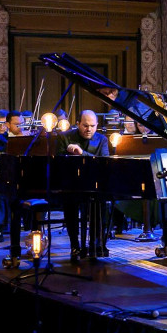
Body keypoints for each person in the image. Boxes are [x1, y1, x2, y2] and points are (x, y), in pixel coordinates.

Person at [58, 110, 110, 260]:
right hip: (71, 183)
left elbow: (103, 162)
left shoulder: (102, 140)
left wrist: (82, 153)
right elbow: (58, 163)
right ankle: (75, 245)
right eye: (85, 125)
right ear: (77, 124)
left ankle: (97, 244)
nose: (89, 129)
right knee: (71, 207)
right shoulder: (64, 137)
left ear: (97, 125)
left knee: (100, 205)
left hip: (94, 184)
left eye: (93, 126)